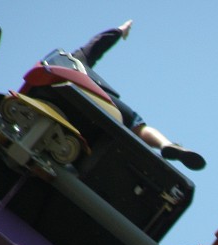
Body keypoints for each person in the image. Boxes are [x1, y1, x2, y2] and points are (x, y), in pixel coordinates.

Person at [70, 20, 206, 171]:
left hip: (72, 129)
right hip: (97, 103)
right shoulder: (72, 63)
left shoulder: (46, 82)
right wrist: (120, 30)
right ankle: (165, 144)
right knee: (135, 124)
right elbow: (97, 44)